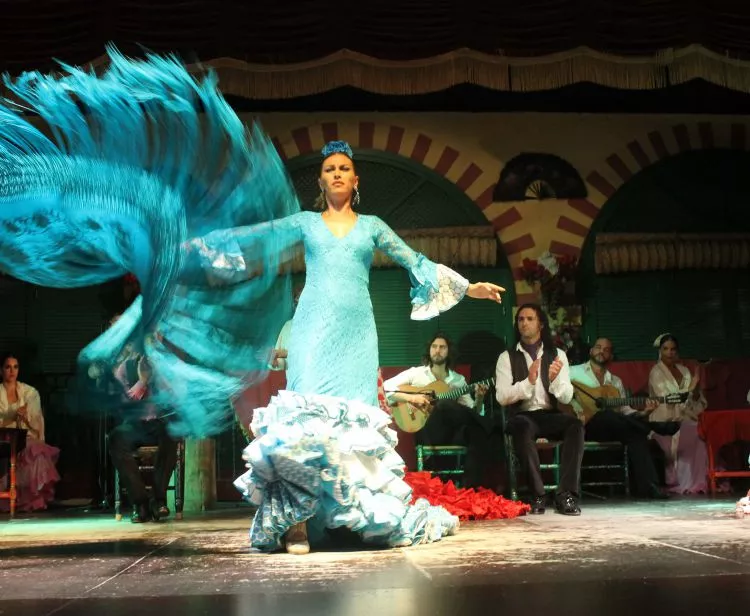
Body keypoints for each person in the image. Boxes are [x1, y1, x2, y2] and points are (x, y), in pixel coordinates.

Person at [233, 140, 505, 554]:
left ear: (355, 181)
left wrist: (469, 288)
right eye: (329, 169)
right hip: (312, 330)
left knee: (352, 427)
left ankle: (350, 519)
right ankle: (298, 522)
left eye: (344, 168)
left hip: (357, 334)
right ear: (321, 181)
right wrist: (200, 247)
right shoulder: (306, 222)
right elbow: (259, 237)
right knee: (306, 417)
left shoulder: (372, 225)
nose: (337, 173)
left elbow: (415, 261)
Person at [495, 303, 583, 515]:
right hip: (523, 415)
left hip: (549, 414)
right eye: (520, 319)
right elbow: (502, 397)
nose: (524, 323)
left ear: (540, 324)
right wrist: (528, 382)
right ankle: (537, 495)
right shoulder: (507, 357)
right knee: (521, 427)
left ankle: (566, 495)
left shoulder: (557, 355)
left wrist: (553, 381)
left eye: (529, 319)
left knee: (575, 426)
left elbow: (567, 396)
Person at [384, 333, 501, 489]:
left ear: (448, 352)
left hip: (451, 434)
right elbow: (386, 387)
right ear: (429, 350)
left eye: (442, 347)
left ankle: (470, 488)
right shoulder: (416, 373)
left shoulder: (458, 380)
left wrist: (479, 398)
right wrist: (412, 398)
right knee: (445, 405)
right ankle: (493, 425)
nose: (437, 350)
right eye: (434, 346)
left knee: (476, 430)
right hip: (427, 430)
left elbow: (472, 413)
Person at [569, 338, 670, 499]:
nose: (602, 351)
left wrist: (645, 413)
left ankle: (650, 487)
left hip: (614, 427)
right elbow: (560, 393)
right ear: (591, 351)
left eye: (607, 349)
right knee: (609, 416)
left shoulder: (615, 382)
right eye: (598, 347)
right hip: (585, 426)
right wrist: (575, 409)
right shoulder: (572, 371)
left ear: (611, 355)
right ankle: (653, 427)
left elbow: (626, 411)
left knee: (634, 433)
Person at [106, 315, 178, 523]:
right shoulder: (125, 368)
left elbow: (174, 397)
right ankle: (141, 503)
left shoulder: (166, 366)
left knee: (172, 432)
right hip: (135, 423)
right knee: (116, 438)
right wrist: (142, 383)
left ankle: (159, 500)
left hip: (159, 421)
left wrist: (157, 375)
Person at [648, 333, 709, 494]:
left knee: (703, 430)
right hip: (665, 423)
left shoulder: (684, 371)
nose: (670, 353)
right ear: (660, 351)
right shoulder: (656, 372)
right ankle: (687, 481)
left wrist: (695, 389)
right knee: (695, 432)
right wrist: (690, 389)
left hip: (687, 418)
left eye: (673, 349)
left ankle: (704, 478)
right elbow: (670, 398)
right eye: (666, 349)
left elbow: (696, 401)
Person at [0, 353, 60, 512]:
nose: (12, 371)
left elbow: (36, 421)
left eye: (15, 367)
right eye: (7, 367)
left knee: (36, 452)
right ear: (1, 370)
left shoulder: (29, 392)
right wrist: (12, 416)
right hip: (3, 438)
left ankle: (33, 499)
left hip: (25, 437)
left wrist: (24, 417)